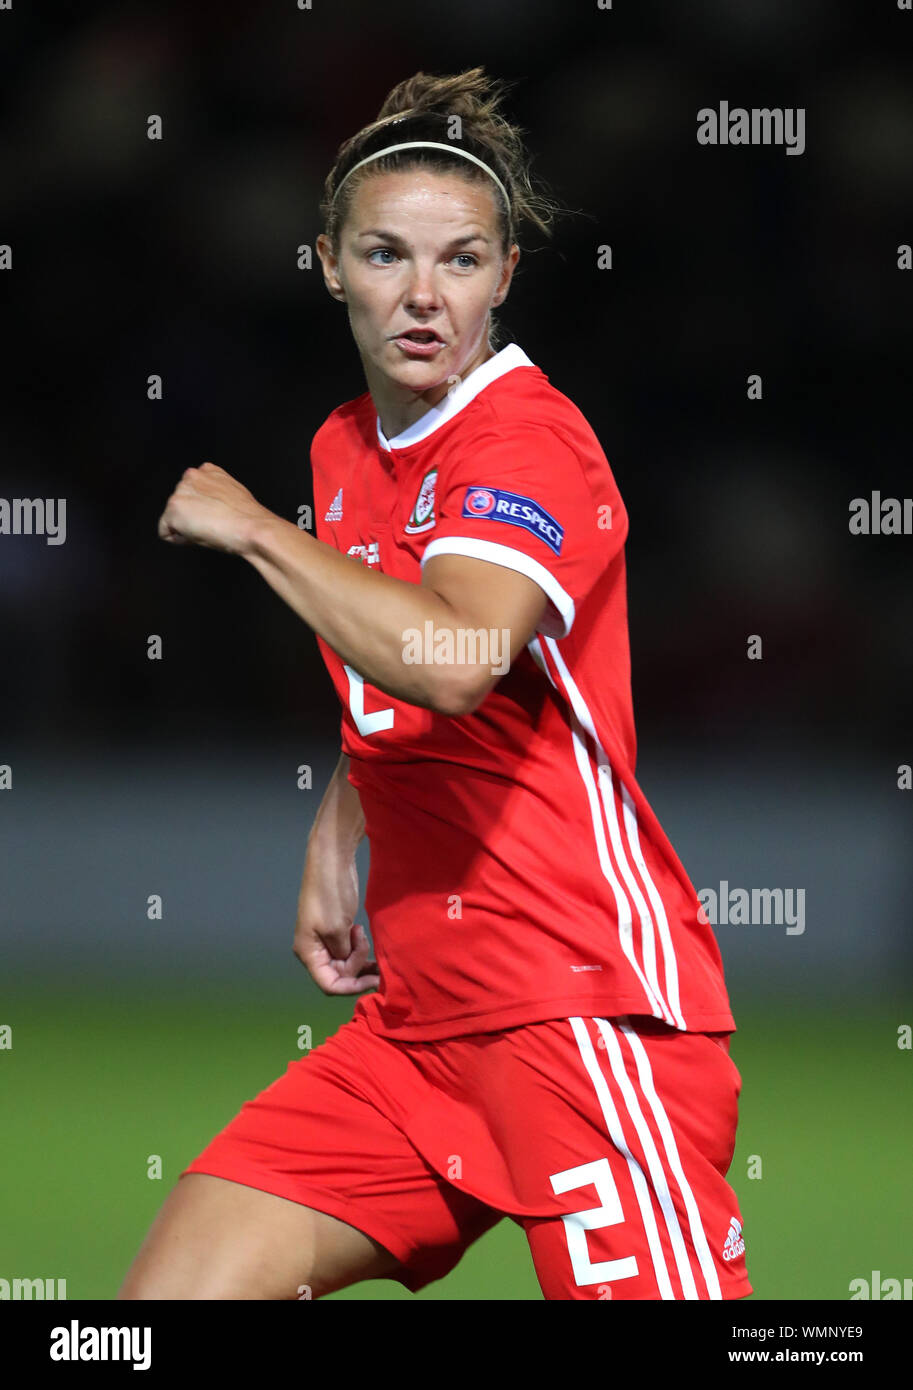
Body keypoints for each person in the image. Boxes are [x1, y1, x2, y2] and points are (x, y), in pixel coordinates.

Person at [119, 67, 752, 1301]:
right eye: (385, 256)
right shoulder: (344, 446)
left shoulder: (525, 441)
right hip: (419, 1032)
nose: (422, 296)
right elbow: (400, 653)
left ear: (505, 274)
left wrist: (253, 531)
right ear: (326, 264)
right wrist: (342, 815)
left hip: (582, 1016)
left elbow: (458, 660)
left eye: (460, 261)